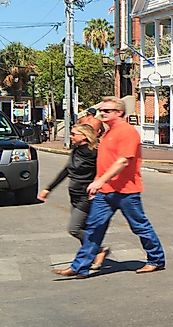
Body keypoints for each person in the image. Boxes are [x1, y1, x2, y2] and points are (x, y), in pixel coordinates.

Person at [54, 96, 166, 278]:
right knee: (93, 227)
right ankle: (79, 266)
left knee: (139, 226)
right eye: (101, 110)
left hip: (126, 191)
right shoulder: (107, 133)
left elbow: (122, 161)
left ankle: (156, 259)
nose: (102, 113)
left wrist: (99, 181)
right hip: (105, 191)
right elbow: (104, 163)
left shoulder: (127, 132)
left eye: (107, 111)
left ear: (119, 112)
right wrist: (97, 184)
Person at [39, 123, 111, 271]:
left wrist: (98, 188)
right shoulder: (76, 150)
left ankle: (99, 250)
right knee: (83, 228)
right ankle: (89, 258)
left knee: (74, 228)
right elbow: (66, 171)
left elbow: (104, 172)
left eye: (73, 134)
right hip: (75, 195)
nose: (71, 136)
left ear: (84, 136)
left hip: (86, 196)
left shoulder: (94, 153)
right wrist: (48, 189)